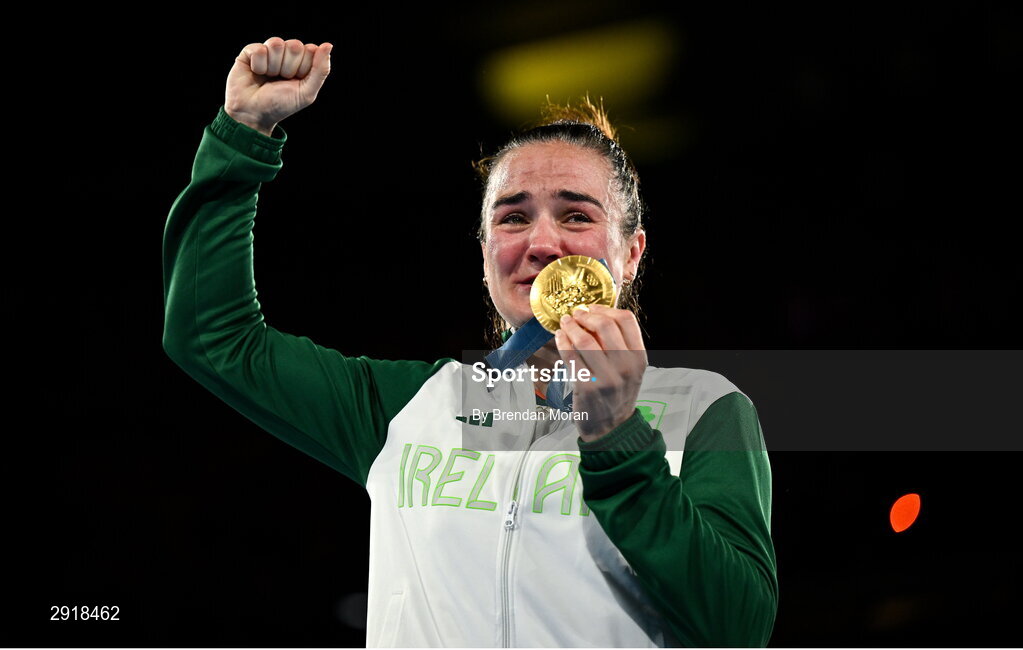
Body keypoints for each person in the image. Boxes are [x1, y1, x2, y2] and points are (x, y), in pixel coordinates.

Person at [163, 36, 778, 647]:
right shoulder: (407, 407)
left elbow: (738, 628)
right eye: (512, 217)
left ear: (632, 252)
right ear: (485, 252)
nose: (542, 243)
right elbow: (211, 336)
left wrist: (618, 435)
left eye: (576, 215)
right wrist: (243, 133)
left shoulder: (705, 410)